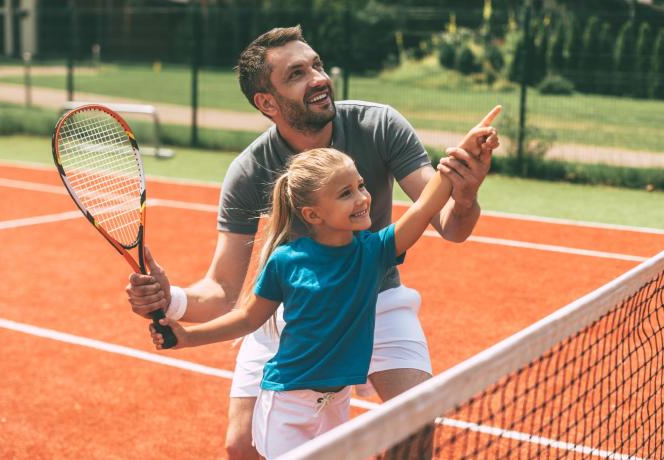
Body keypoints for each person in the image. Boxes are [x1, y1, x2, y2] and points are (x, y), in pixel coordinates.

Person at [126, 25, 500, 459]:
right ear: (267, 103)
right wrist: (169, 300)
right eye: (297, 74)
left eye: (317, 65)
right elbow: (224, 290)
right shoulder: (249, 171)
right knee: (242, 446)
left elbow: (448, 225)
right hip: (293, 308)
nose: (319, 78)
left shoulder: (379, 125)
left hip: (376, 299)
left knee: (414, 425)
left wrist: (466, 193)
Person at [150, 146, 489, 458]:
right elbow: (248, 319)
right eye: (345, 193)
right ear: (312, 215)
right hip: (287, 407)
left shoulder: (374, 251)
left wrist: (455, 163)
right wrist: (189, 338)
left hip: (335, 405)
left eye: (360, 186)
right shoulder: (286, 261)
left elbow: (425, 207)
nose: (362, 198)